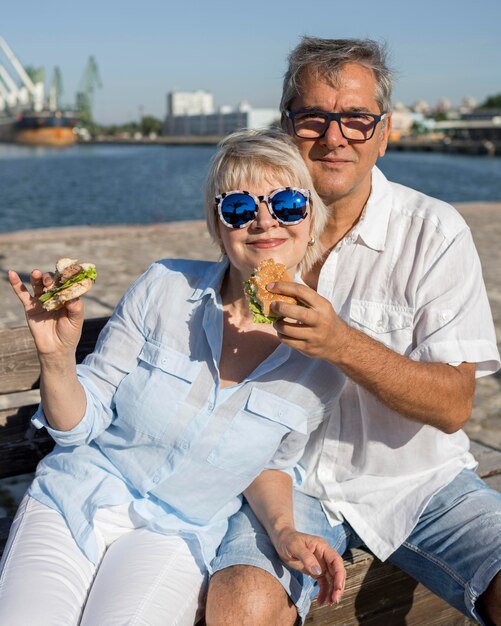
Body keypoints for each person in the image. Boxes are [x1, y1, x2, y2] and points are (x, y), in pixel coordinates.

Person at [206, 37, 501, 626]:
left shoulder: (434, 233)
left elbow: (453, 405)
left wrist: (340, 342)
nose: (335, 137)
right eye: (314, 117)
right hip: (283, 491)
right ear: (287, 128)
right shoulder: (257, 229)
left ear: (383, 133)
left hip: (418, 486)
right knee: (241, 604)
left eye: (357, 120)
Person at [0, 129, 348, 626]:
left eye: (288, 203)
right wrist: (57, 358)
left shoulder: (323, 359)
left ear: (311, 221)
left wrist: (286, 531)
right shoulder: (164, 286)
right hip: (78, 495)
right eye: (238, 208)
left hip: (178, 531)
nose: (264, 221)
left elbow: (268, 464)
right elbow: (78, 425)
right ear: (218, 224)